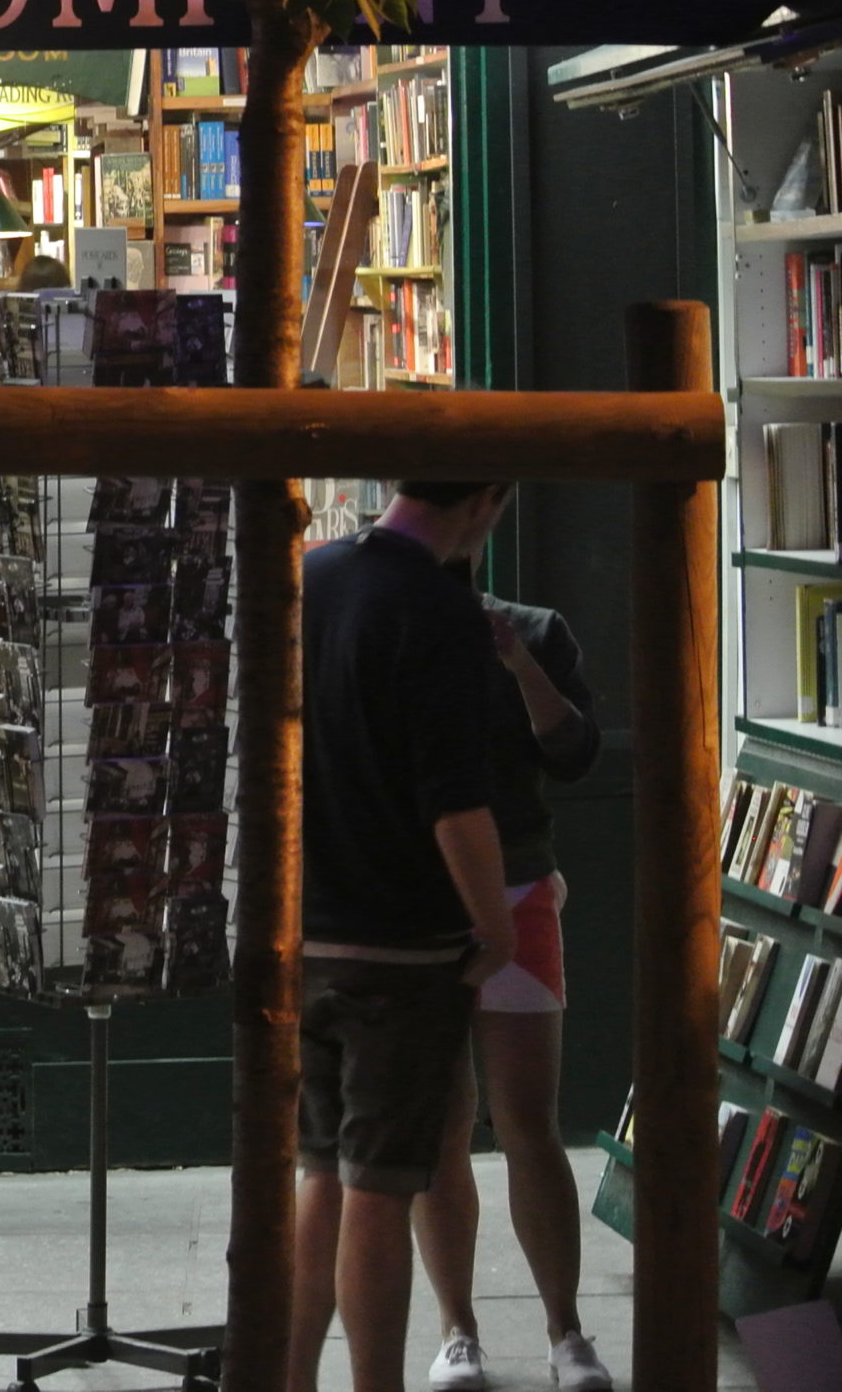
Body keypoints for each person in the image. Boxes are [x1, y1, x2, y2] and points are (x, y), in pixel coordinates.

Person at [290, 479, 521, 1392]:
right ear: (488, 501)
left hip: (305, 925)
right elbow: (455, 804)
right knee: (379, 1188)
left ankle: (291, 1375)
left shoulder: (310, 578)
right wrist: (495, 928)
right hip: (403, 944)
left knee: (317, 1175)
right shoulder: (442, 610)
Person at [414, 553, 610, 1392]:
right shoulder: (388, 628)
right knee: (441, 1123)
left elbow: (575, 755)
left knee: (529, 1118)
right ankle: (458, 1332)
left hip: (521, 887)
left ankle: (566, 1332)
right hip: (415, 901)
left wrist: (516, 660)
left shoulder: (535, 630)